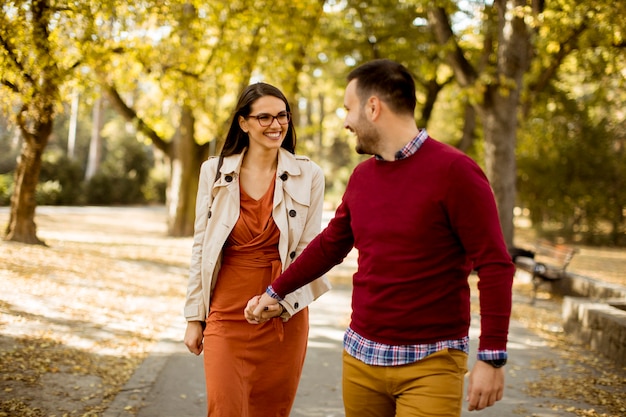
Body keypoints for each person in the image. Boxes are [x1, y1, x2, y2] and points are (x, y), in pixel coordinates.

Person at [245, 59, 515, 417]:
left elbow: (495, 265)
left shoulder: (456, 172)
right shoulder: (362, 177)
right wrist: (275, 291)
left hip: (431, 363)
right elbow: (330, 246)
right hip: (361, 360)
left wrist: (492, 358)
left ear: (373, 107)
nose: (345, 121)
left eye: (349, 109)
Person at [184, 82, 331, 417]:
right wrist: (195, 317)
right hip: (226, 309)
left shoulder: (308, 174)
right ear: (243, 123)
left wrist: (281, 302)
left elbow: (310, 251)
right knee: (224, 408)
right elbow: (201, 248)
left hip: (283, 310)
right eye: (263, 117)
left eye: (282, 116)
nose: (275, 124)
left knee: (270, 411)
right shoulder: (214, 171)